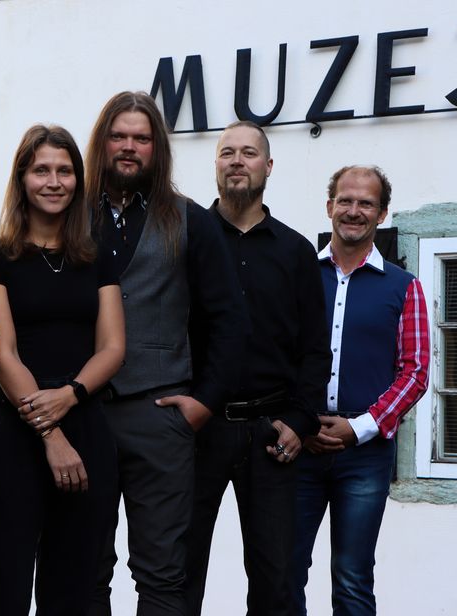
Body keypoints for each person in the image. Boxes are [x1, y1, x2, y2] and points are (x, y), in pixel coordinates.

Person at [86, 91, 250, 616]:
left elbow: (228, 319)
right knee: (83, 568)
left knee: (161, 573)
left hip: (158, 413)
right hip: (83, 412)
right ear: (102, 143)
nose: (128, 147)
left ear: (156, 147)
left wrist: (203, 403)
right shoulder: (68, 213)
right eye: (119, 136)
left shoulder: (190, 219)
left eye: (141, 138)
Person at [0, 124, 125, 615]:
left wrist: (71, 394)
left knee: (74, 591)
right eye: (41, 170)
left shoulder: (97, 255)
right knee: (0, 589)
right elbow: (3, 352)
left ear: (78, 180)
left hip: (86, 426)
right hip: (13, 431)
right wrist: (50, 433)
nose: (54, 182)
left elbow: (113, 348)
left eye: (64, 171)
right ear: (22, 178)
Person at [183, 121, 331, 616]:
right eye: (227, 152)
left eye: (249, 153)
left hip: (272, 434)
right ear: (216, 165)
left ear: (268, 167)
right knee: (177, 574)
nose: (237, 161)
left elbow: (315, 348)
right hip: (198, 430)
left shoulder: (296, 251)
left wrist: (300, 420)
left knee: (276, 583)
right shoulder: (187, 242)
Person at [290, 165, 429, 615]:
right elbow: (275, 357)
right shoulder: (298, 277)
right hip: (298, 446)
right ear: (329, 206)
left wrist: (360, 428)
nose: (354, 211)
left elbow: (415, 372)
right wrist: (299, 421)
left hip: (365, 455)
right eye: (345, 201)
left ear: (382, 213)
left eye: (366, 203)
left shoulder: (404, 287)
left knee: (352, 579)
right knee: (283, 574)